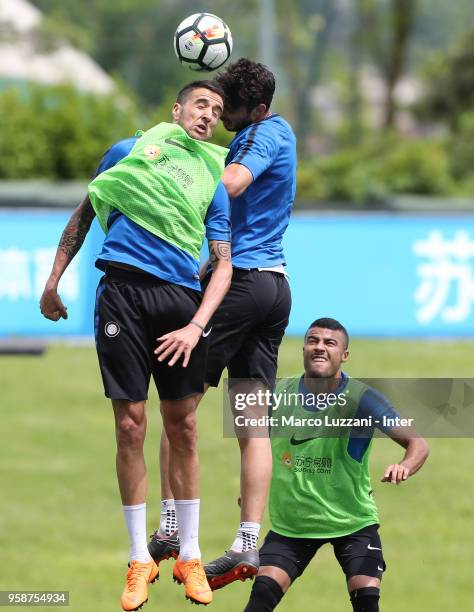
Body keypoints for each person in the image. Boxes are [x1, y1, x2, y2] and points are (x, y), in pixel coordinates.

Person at [39, 80, 233, 611]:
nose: (208, 115)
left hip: (180, 305)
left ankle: (189, 553)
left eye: (216, 111)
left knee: (185, 426)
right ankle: (137, 559)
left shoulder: (212, 177)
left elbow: (222, 262)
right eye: (200, 105)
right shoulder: (129, 150)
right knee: (130, 424)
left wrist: (196, 326)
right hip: (121, 294)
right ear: (175, 109)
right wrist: (53, 281)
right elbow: (85, 212)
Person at [148, 58, 296, 589]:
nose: (221, 115)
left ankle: (169, 527)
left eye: (228, 107)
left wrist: (176, 161)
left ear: (256, 109)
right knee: (252, 423)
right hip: (273, 286)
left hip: (242, 285)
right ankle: (247, 544)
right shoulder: (263, 130)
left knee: (177, 402)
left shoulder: (263, 134)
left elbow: (231, 182)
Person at [242, 317, 430, 612]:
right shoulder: (277, 394)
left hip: (352, 522)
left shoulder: (362, 398)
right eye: (313, 341)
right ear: (303, 348)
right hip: (293, 525)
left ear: (344, 355)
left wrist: (405, 465)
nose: (319, 348)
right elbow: (257, 450)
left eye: (330, 343)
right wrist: (252, 488)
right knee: (261, 598)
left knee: (366, 597)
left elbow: (418, 443)